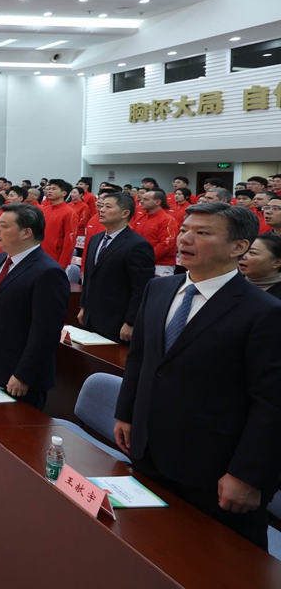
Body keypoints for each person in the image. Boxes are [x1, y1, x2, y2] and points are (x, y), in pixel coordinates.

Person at [115, 203, 281, 550]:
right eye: (185, 229)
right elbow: (141, 358)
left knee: (216, 563)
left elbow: (272, 404)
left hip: (212, 468)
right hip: (149, 450)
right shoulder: (159, 290)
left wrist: (247, 474)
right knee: (147, 547)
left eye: (202, 233)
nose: (185, 239)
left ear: (239, 247)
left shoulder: (263, 312)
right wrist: (126, 413)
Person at [0, 203, 70, 411]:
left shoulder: (48, 272)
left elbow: (45, 332)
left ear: (26, 233)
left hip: (19, 376)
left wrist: (23, 374)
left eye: (4, 226)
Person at [78, 193, 155, 343]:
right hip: (91, 315)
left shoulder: (137, 245)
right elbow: (89, 277)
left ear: (125, 213)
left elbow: (142, 288)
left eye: (108, 207)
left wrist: (131, 322)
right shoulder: (96, 239)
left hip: (117, 320)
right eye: (101, 206)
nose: (101, 210)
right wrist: (83, 306)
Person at [132, 190, 178, 275]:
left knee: (160, 288)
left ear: (157, 202)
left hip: (161, 265)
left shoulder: (167, 220)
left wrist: (146, 258)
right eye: (142, 199)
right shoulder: (140, 218)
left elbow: (166, 245)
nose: (141, 201)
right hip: (140, 263)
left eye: (145, 199)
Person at [40, 179, 79, 268]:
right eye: (49, 188)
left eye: (54, 189)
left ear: (64, 193)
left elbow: (69, 242)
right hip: (40, 255)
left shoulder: (69, 213)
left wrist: (62, 264)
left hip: (55, 258)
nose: (49, 191)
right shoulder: (44, 210)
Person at [240, 234, 281, 300]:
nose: (243, 256)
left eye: (252, 253)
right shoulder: (230, 282)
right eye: (244, 251)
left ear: (277, 263)